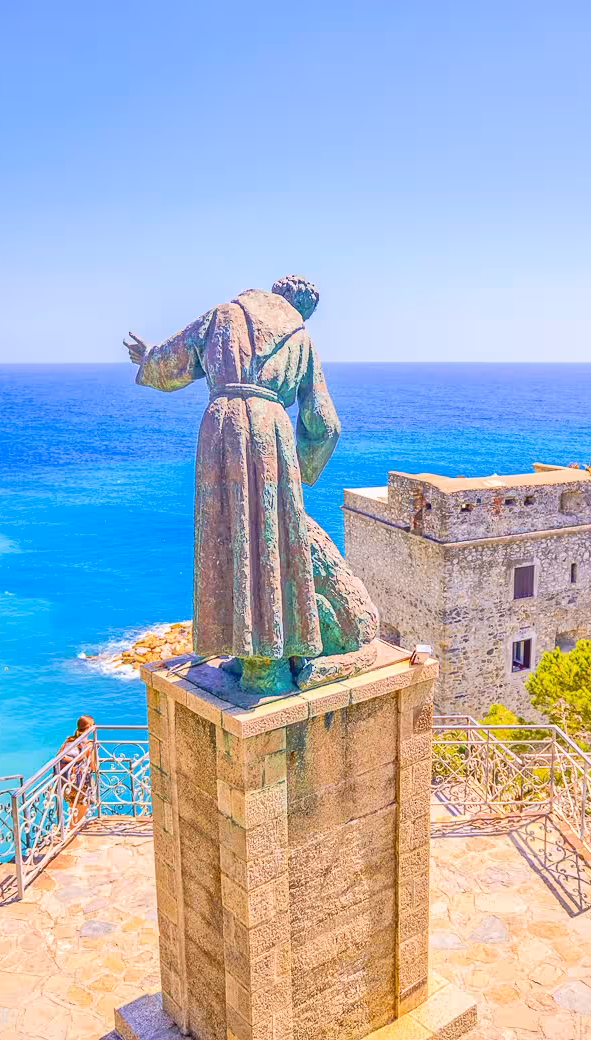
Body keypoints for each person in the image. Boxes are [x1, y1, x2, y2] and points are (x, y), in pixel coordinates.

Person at [125, 276, 377, 699]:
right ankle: (270, 663)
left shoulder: (226, 313)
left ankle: (245, 651)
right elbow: (326, 424)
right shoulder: (301, 337)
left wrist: (146, 358)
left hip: (220, 429)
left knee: (227, 538)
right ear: (302, 308)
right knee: (271, 541)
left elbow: (173, 360)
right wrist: (299, 471)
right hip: (271, 435)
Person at [57, 715, 97, 826]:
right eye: (93, 725)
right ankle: (74, 835)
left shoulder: (69, 740)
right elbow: (93, 767)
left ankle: (70, 830)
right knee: (81, 811)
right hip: (81, 782)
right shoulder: (88, 745)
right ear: (89, 728)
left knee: (73, 810)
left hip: (67, 783)